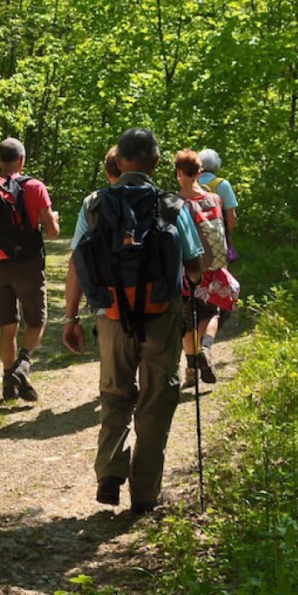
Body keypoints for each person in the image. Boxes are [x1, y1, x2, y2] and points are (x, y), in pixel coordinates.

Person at [62, 129, 205, 514]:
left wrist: (72, 317)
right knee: (157, 399)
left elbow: (78, 262)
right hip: (161, 316)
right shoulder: (173, 205)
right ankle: (144, 493)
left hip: (110, 314)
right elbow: (194, 268)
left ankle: (110, 471)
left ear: (119, 162)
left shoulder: (94, 204)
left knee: (114, 392)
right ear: (157, 162)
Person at [0, 138, 60, 402]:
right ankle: (22, 367)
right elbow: (53, 232)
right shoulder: (34, 187)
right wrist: (53, 218)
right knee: (36, 321)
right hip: (27, 264)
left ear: (0, 160)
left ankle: (8, 384)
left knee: (8, 326)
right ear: (21, 160)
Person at [174, 150, 224, 388]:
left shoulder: (174, 203)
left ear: (179, 173)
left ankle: (192, 370)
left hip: (185, 270)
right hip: (211, 267)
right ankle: (205, 347)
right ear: (200, 172)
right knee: (211, 312)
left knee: (187, 321)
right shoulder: (214, 199)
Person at [198, 149, 238, 260]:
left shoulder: (192, 184)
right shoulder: (223, 185)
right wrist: (227, 236)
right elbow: (231, 216)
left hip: (196, 238)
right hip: (218, 238)